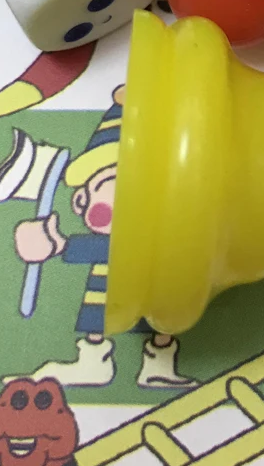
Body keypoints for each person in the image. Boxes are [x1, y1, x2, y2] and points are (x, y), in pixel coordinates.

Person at [11, 85, 198, 389]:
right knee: (99, 321)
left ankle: (157, 364)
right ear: (80, 201)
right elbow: (106, 248)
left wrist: (61, 245)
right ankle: (94, 361)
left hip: (153, 291)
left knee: (157, 324)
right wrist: (55, 244)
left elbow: (109, 247)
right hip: (108, 295)